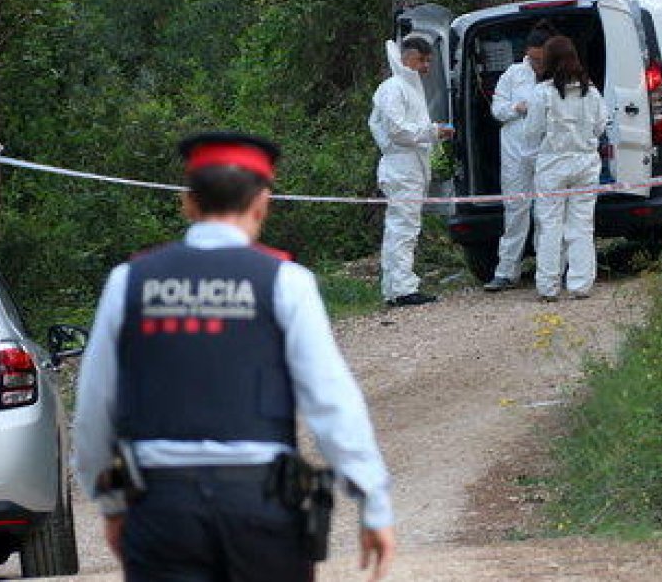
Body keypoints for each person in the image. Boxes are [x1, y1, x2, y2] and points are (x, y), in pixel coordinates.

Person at [72, 131, 396, 582]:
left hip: (162, 511)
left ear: (188, 203)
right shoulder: (286, 281)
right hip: (261, 510)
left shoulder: (129, 281)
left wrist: (109, 503)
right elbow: (330, 401)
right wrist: (373, 503)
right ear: (263, 202)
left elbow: (93, 410)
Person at [369, 35, 455, 307]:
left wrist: (434, 134)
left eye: (429, 60)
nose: (426, 66)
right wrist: (432, 132)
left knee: (401, 227)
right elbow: (397, 130)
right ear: (407, 58)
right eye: (423, 60)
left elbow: (408, 129)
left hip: (410, 166)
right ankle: (403, 288)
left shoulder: (409, 88)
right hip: (401, 167)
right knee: (403, 228)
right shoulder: (393, 88)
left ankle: (395, 287)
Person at [523, 36, 607, 301]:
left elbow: (531, 132)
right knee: (582, 224)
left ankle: (548, 286)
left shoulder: (543, 93)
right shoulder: (591, 92)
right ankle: (580, 284)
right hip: (585, 163)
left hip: (553, 165)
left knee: (550, 225)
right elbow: (601, 126)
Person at [482, 20, 554, 292]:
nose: (537, 64)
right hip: (514, 152)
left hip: (546, 151)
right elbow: (497, 109)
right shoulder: (513, 74)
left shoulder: (558, 76)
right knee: (515, 209)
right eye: (533, 58)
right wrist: (518, 107)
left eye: (542, 59)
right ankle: (506, 270)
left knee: (547, 211)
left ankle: (548, 270)